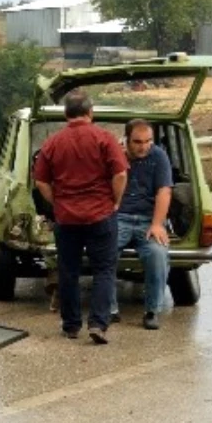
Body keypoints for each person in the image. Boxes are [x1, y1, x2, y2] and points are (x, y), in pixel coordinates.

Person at [33, 90, 129, 344]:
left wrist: (57, 202)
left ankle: (71, 325)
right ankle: (98, 323)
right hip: (101, 215)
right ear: (90, 112)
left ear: (66, 114)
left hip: (66, 219)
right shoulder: (104, 138)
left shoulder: (52, 143)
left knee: (68, 272)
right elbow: (120, 174)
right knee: (104, 270)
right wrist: (116, 201)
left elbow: (41, 180)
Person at [108, 119, 172, 330]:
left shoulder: (158, 156)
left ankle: (152, 311)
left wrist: (157, 224)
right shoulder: (114, 154)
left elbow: (164, 191)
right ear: (126, 139)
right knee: (105, 251)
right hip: (119, 216)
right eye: (137, 141)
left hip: (148, 219)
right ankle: (110, 309)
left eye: (148, 141)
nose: (143, 146)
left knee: (158, 254)